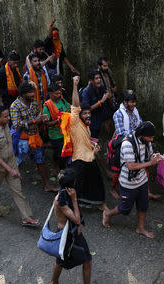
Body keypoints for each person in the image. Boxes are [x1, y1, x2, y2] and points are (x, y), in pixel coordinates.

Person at [102, 122, 163, 238]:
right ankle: (107, 213)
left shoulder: (147, 142)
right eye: (150, 137)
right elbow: (131, 166)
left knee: (143, 204)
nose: (152, 139)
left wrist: (154, 157)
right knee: (125, 208)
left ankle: (140, 228)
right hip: (128, 182)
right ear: (142, 135)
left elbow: (149, 156)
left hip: (142, 180)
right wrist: (151, 163)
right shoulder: (127, 144)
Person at [0, 105, 40, 226]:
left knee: (17, 190)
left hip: (11, 162)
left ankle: (26, 217)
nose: (9, 118)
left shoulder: (5, 125)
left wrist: (13, 167)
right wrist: (10, 170)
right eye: (6, 116)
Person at [63, 76, 107, 210]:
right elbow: (75, 106)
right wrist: (75, 85)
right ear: (79, 115)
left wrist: (92, 145)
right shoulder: (75, 122)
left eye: (89, 113)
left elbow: (85, 139)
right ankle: (98, 204)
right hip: (80, 159)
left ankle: (91, 203)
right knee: (89, 182)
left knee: (90, 182)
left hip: (88, 156)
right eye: (85, 113)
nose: (88, 115)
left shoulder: (86, 125)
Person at [10, 81, 57, 192]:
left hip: (35, 137)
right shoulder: (15, 106)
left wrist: (42, 119)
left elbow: (38, 116)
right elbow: (16, 125)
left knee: (40, 160)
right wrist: (35, 120)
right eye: (30, 92)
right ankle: (12, 181)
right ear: (23, 93)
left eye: (33, 92)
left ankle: (47, 185)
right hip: (23, 140)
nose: (33, 94)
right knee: (18, 160)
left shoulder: (34, 103)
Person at [50, 168, 92, 284]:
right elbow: (77, 219)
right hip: (67, 235)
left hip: (71, 233)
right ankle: (53, 281)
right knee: (84, 261)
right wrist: (74, 199)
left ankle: (54, 281)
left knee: (62, 261)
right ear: (73, 183)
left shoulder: (64, 193)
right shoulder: (62, 200)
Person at [43, 83, 71, 172]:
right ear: (50, 94)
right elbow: (47, 124)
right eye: (56, 93)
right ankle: (62, 171)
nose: (59, 95)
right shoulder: (47, 106)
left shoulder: (62, 101)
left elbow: (69, 108)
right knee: (60, 154)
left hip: (65, 132)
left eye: (59, 93)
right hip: (55, 135)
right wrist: (58, 121)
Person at [81, 70, 112, 139]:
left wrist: (110, 97)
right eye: (96, 78)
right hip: (93, 118)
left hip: (102, 116)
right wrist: (100, 101)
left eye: (100, 78)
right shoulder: (86, 92)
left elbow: (108, 103)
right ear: (91, 80)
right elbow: (87, 109)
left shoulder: (102, 88)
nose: (99, 80)